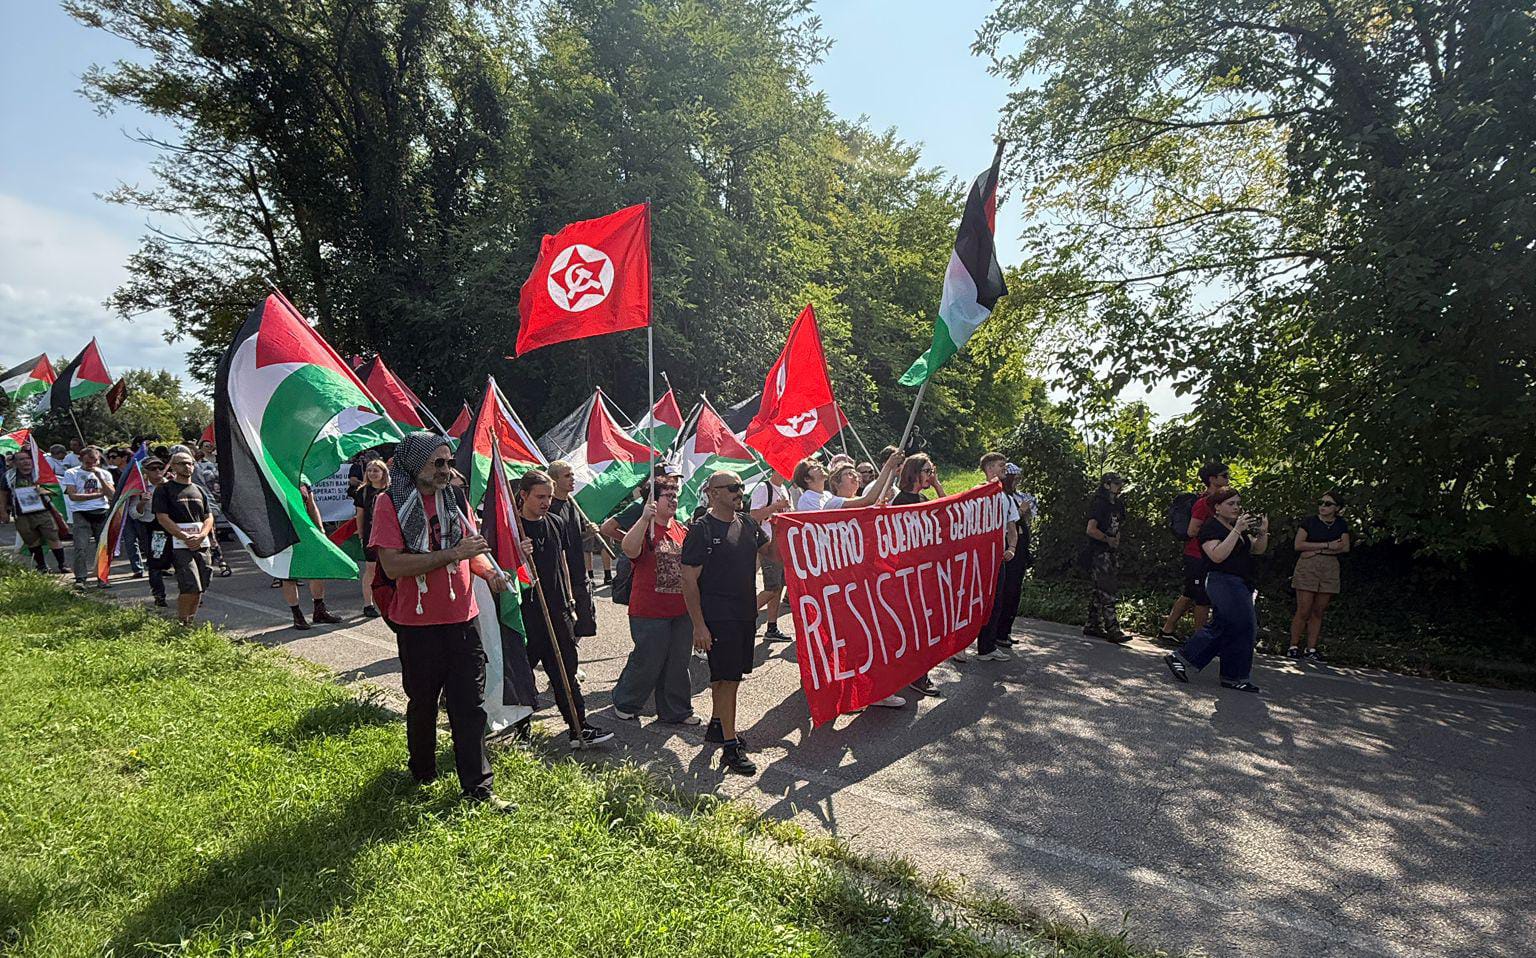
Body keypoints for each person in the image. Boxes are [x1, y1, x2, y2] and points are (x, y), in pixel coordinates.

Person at [369, 431, 516, 811]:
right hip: (418, 626)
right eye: (438, 463)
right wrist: (452, 554)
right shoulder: (389, 503)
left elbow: (471, 551)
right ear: (415, 464)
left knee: (470, 706)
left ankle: (478, 789)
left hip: (463, 620)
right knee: (423, 703)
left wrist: (489, 573)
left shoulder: (454, 499)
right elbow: (392, 564)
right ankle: (422, 772)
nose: (446, 470)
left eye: (449, 462)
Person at [681, 471, 776, 775]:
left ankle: (717, 725)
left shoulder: (748, 523)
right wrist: (699, 625)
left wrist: (801, 533)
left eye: (741, 486)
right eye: (733, 487)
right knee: (729, 680)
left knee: (724, 676)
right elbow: (688, 580)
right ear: (713, 493)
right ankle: (730, 745)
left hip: (745, 614)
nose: (740, 491)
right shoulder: (701, 530)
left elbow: (771, 551)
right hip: (718, 617)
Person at [516, 470, 612, 749]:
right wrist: (517, 554)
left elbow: (563, 562)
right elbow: (499, 568)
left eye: (548, 496)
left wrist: (570, 600)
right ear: (524, 495)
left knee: (566, 672)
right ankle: (521, 731)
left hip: (558, 610)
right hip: (526, 612)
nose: (546, 502)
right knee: (523, 673)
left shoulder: (556, 522)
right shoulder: (513, 528)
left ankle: (578, 728)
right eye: (540, 496)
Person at [611, 475, 701, 726]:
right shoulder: (646, 528)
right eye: (667, 496)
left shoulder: (681, 529)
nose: (673, 500)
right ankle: (626, 702)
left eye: (675, 495)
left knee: (678, 662)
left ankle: (676, 711)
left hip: (681, 610)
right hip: (649, 610)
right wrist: (643, 519)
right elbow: (629, 549)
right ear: (653, 500)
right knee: (648, 659)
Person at [1165, 487, 1270, 693]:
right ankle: (1232, 675)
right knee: (1243, 627)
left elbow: (1257, 549)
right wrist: (1236, 530)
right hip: (1222, 581)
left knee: (1227, 626)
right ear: (1217, 507)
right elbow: (1217, 556)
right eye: (1231, 504)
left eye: (1238, 503)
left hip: (1240, 582)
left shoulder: (1236, 527)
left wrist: (1262, 531)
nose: (1236, 507)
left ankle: (1191, 660)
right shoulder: (1211, 528)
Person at [891, 453, 946, 696]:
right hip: (907, 574)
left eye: (932, 470)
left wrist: (936, 484)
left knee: (924, 625)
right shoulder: (901, 501)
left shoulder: (923, 498)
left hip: (924, 572)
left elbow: (949, 511)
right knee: (913, 626)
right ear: (914, 472)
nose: (931, 475)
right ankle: (916, 675)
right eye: (927, 471)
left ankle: (917, 673)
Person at [1158, 462, 1230, 642]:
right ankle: (1200, 639)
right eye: (1224, 475)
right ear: (1212, 479)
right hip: (1197, 556)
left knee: (1190, 593)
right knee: (1202, 598)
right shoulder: (1203, 502)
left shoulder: (1219, 501)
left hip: (1205, 556)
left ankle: (1167, 630)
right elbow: (1191, 531)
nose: (1228, 479)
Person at [1288, 491, 1350, 663]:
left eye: (1328, 504)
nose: (1323, 506)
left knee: (1318, 610)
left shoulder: (1341, 524)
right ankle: (1293, 646)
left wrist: (1316, 550)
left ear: (1337, 508)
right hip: (1308, 566)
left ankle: (1311, 648)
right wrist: (1327, 545)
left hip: (1329, 567)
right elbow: (1299, 544)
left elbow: (1344, 547)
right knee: (1304, 608)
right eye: (1321, 502)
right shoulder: (1309, 522)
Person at [154, 451, 215, 625]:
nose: (187, 466)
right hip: (178, 544)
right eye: (182, 463)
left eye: (190, 463)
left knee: (202, 583)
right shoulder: (164, 489)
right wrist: (184, 536)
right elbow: (162, 517)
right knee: (190, 584)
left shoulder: (199, 490)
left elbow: (208, 517)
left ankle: (190, 622)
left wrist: (202, 535)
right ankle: (182, 623)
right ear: (173, 466)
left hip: (201, 543)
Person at [971, 453, 1022, 661]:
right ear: (989, 468)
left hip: (998, 558)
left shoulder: (1006, 497)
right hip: (979, 558)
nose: (1004, 469)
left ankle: (987, 646)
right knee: (973, 601)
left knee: (996, 601)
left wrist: (1012, 547)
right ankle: (959, 644)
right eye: (1001, 465)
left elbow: (1012, 527)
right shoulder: (977, 494)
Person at [282, 483, 343, 629]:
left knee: (317, 570)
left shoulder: (303, 481)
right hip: (285, 533)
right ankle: (297, 614)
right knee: (289, 574)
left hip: (307, 533)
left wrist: (321, 531)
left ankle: (319, 610)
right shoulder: (275, 478)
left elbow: (312, 505)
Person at [1082, 472, 1129, 643]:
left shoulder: (1118, 505)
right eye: (1116, 484)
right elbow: (1091, 529)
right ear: (1106, 485)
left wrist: (1116, 540)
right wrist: (1106, 539)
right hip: (1098, 552)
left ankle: (1092, 624)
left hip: (1110, 551)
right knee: (1107, 589)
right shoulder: (1099, 503)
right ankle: (1113, 628)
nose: (1120, 487)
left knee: (1099, 590)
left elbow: (1119, 526)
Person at [748, 471, 793, 641]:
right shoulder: (763, 487)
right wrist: (776, 506)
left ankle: (772, 626)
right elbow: (753, 516)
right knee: (772, 587)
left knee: (778, 587)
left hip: (781, 544)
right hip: (766, 544)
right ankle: (743, 618)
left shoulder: (784, 490)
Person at [62, 446, 115, 589]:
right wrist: (99, 494)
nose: (91, 465)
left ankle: (102, 578)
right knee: (81, 547)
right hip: (81, 513)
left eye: (94, 461)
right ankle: (80, 578)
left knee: (103, 548)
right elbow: (74, 496)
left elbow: (112, 494)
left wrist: (100, 478)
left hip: (101, 512)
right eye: (87, 462)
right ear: (80, 460)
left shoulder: (105, 474)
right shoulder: (71, 473)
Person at [5, 452, 67, 574]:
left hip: (43, 512)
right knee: (32, 540)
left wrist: (43, 490)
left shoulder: (40, 474)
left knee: (53, 537)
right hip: (21, 514)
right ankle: (42, 566)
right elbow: (3, 493)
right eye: (21, 459)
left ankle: (62, 565)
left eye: (28, 458)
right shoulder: (9, 476)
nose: (26, 461)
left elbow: (55, 490)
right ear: (15, 463)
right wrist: (3, 511)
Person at [791, 449, 903, 512]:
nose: (820, 467)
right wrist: (888, 466)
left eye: (818, 464)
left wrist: (875, 507)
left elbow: (866, 502)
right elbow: (868, 500)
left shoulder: (827, 495)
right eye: (814, 467)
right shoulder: (807, 499)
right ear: (806, 478)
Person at [126, 458, 169, 607]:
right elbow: (133, 514)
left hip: (173, 527)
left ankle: (191, 595)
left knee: (181, 560)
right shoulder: (140, 488)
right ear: (145, 471)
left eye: (160, 467)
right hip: (154, 529)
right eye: (153, 468)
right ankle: (159, 596)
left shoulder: (171, 485)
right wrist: (142, 503)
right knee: (155, 562)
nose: (157, 471)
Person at [353, 458, 390, 617]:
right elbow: (360, 514)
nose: (372, 473)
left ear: (383, 472)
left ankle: (390, 602)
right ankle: (368, 604)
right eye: (369, 471)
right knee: (371, 569)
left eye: (376, 470)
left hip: (390, 535)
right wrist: (361, 533)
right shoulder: (363, 491)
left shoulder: (391, 490)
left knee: (390, 568)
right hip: (371, 535)